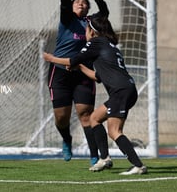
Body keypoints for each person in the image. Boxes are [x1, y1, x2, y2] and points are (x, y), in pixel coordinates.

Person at [43, 14, 147, 175]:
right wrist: (81, 68)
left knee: (114, 132)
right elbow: (98, 77)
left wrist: (51, 58)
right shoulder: (109, 45)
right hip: (126, 90)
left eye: (86, 29)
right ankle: (104, 158)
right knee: (94, 118)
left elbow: (72, 61)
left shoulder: (95, 42)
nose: (85, 32)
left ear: (91, 31)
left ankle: (138, 165)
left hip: (120, 92)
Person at [47, 0, 109, 165]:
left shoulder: (91, 23)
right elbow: (64, 4)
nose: (81, 4)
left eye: (84, 2)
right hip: (59, 72)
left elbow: (104, 13)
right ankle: (66, 139)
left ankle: (94, 155)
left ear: (88, 8)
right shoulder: (67, 19)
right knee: (61, 118)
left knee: (85, 115)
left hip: (82, 72)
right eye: (77, 2)